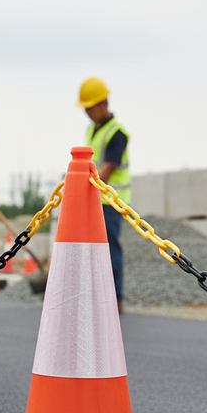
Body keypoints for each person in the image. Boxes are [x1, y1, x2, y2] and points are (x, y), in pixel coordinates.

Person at [77, 76, 130, 311]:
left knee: (110, 248)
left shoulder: (117, 133)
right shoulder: (93, 129)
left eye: (89, 108)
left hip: (110, 200)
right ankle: (96, 296)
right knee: (93, 250)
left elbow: (107, 169)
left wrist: (85, 187)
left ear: (102, 104)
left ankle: (115, 298)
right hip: (95, 199)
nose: (86, 113)